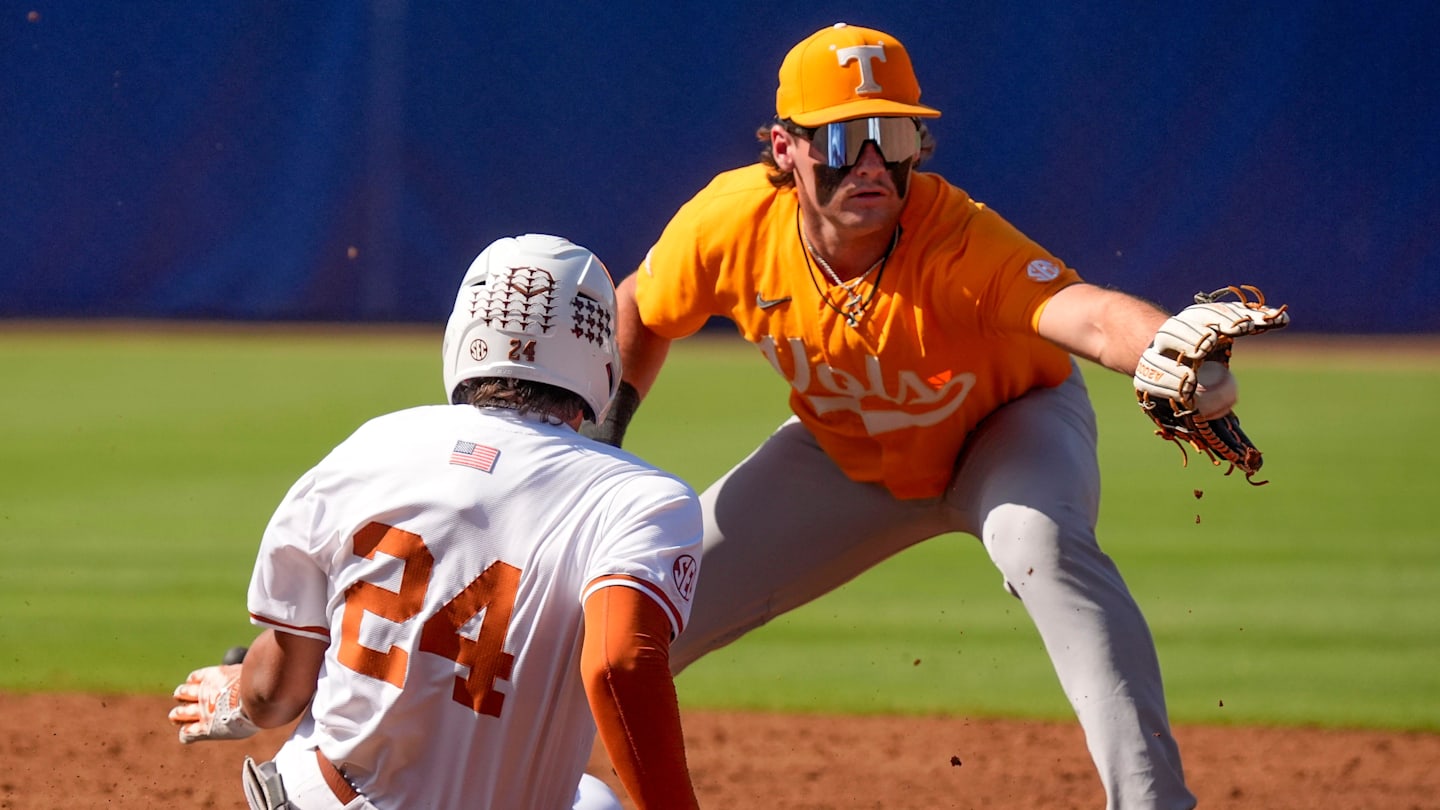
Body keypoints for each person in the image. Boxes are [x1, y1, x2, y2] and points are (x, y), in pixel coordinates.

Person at [585, 22, 1286, 810]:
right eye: (847, 137)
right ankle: (533, 776)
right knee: (651, 605)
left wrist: (1167, 345)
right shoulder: (729, 225)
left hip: (1007, 432)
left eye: (895, 132)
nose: (875, 162)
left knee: (1041, 543)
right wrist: (602, 440)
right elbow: (642, 306)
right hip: (844, 453)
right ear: (784, 147)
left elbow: (1084, 313)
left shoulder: (955, 237)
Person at [169, 234, 705, 810]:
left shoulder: (372, 445)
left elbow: (276, 693)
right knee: (593, 801)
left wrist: (240, 699)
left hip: (319, 800)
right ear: (603, 361)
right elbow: (619, 662)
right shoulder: (642, 496)